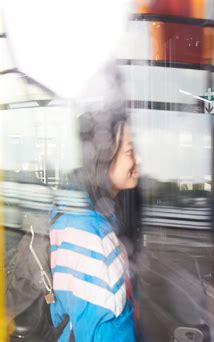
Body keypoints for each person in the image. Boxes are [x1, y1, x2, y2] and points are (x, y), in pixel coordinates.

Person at [49, 108, 139, 341]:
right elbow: (99, 331)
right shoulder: (84, 231)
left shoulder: (97, 213)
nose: (138, 160)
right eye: (130, 151)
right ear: (104, 155)